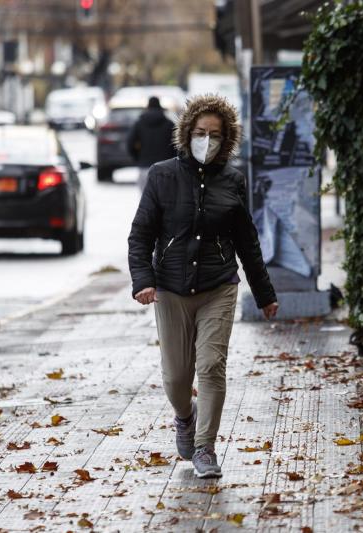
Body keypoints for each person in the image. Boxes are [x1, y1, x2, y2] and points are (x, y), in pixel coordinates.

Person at [128, 94, 279, 479]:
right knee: (177, 376)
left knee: (211, 367)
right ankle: (185, 416)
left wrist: (264, 294)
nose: (206, 141)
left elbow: (247, 241)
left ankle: (205, 448)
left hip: (218, 286)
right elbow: (141, 234)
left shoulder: (232, 180)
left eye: (215, 135)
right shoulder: (161, 176)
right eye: (200, 133)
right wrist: (143, 280)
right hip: (171, 289)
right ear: (186, 133)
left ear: (225, 140)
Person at [127, 96, 177, 191]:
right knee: (165, 201)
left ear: (147, 107)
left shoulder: (139, 124)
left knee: (146, 202)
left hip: (145, 168)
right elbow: (177, 147)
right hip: (166, 168)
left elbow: (130, 144)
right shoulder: (169, 125)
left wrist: (138, 159)